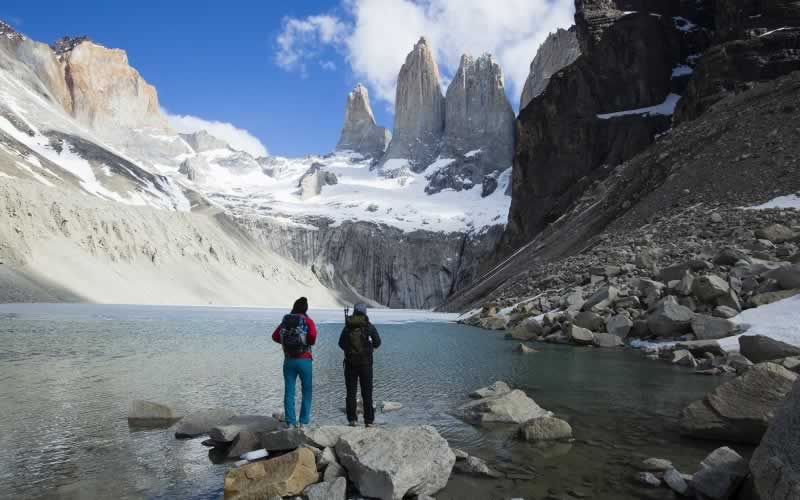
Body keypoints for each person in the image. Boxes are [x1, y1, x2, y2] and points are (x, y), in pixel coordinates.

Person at [272, 297, 317, 428]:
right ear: (306, 308)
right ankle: (303, 422)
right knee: (307, 390)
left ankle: (291, 422)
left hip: (289, 360)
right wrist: (305, 342)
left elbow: (275, 336)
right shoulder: (308, 321)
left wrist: (287, 343)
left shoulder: (286, 321)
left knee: (289, 391)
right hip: (305, 360)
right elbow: (313, 336)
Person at [338, 303, 382, 427]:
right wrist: (368, 348)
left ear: (354, 312)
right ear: (365, 312)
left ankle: (352, 420)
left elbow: (340, 343)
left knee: (351, 392)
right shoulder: (369, 326)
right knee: (367, 392)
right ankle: (368, 421)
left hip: (350, 364)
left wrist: (350, 350)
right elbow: (378, 342)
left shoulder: (348, 326)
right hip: (366, 364)